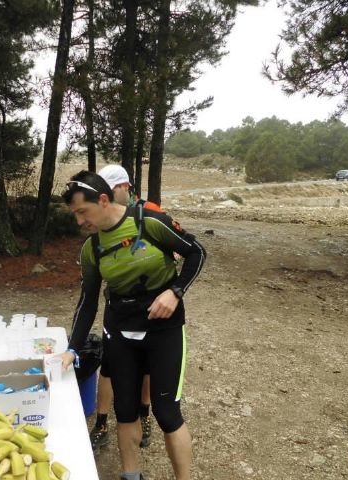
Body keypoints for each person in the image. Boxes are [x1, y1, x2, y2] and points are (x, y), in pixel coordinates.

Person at [59, 171, 206, 480]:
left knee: (167, 414)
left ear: (102, 200)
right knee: (124, 412)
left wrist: (176, 291)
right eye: (75, 215)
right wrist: (73, 348)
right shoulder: (92, 248)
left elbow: (196, 252)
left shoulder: (148, 221)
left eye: (82, 212)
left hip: (164, 329)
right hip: (121, 332)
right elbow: (88, 300)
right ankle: (131, 475)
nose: (79, 221)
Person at [89, 165, 163, 453]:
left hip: (151, 305)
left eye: (111, 191)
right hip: (117, 305)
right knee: (107, 364)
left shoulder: (148, 211)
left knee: (146, 366)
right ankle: (103, 422)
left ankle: (145, 416)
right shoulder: (104, 222)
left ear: (126, 187)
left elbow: (175, 250)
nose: (106, 197)